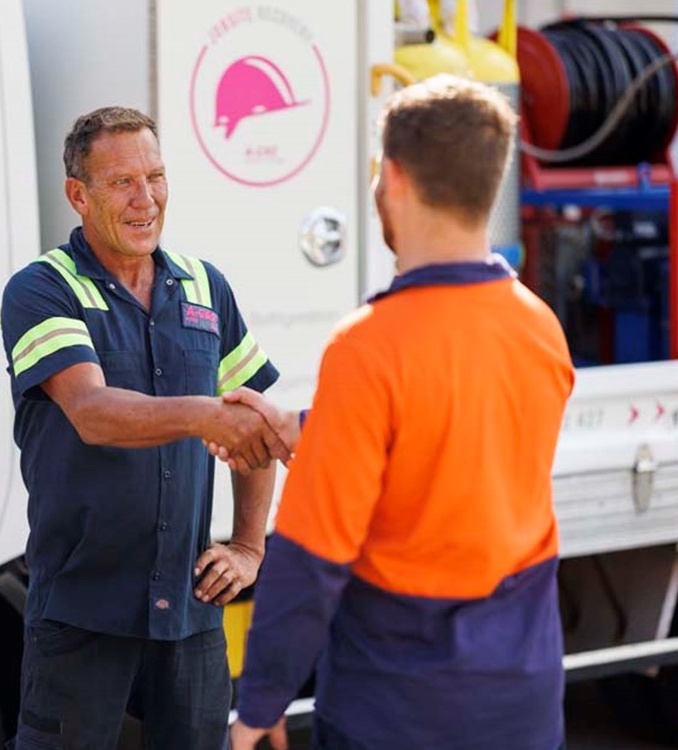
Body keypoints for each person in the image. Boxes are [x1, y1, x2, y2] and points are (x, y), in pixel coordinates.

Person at [225, 75, 575, 750]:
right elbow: (457, 448)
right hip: (525, 706)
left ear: (394, 178)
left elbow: (309, 560)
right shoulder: (540, 328)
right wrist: (319, 427)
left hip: (400, 709)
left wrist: (261, 701)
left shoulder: (368, 346)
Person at [0, 105, 286, 750]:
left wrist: (248, 545)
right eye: (123, 182)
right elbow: (94, 414)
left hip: (191, 611)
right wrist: (208, 415)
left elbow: (253, 419)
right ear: (79, 195)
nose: (146, 198)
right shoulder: (43, 290)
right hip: (82, 612)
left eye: (155, 177)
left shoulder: (205, 287)